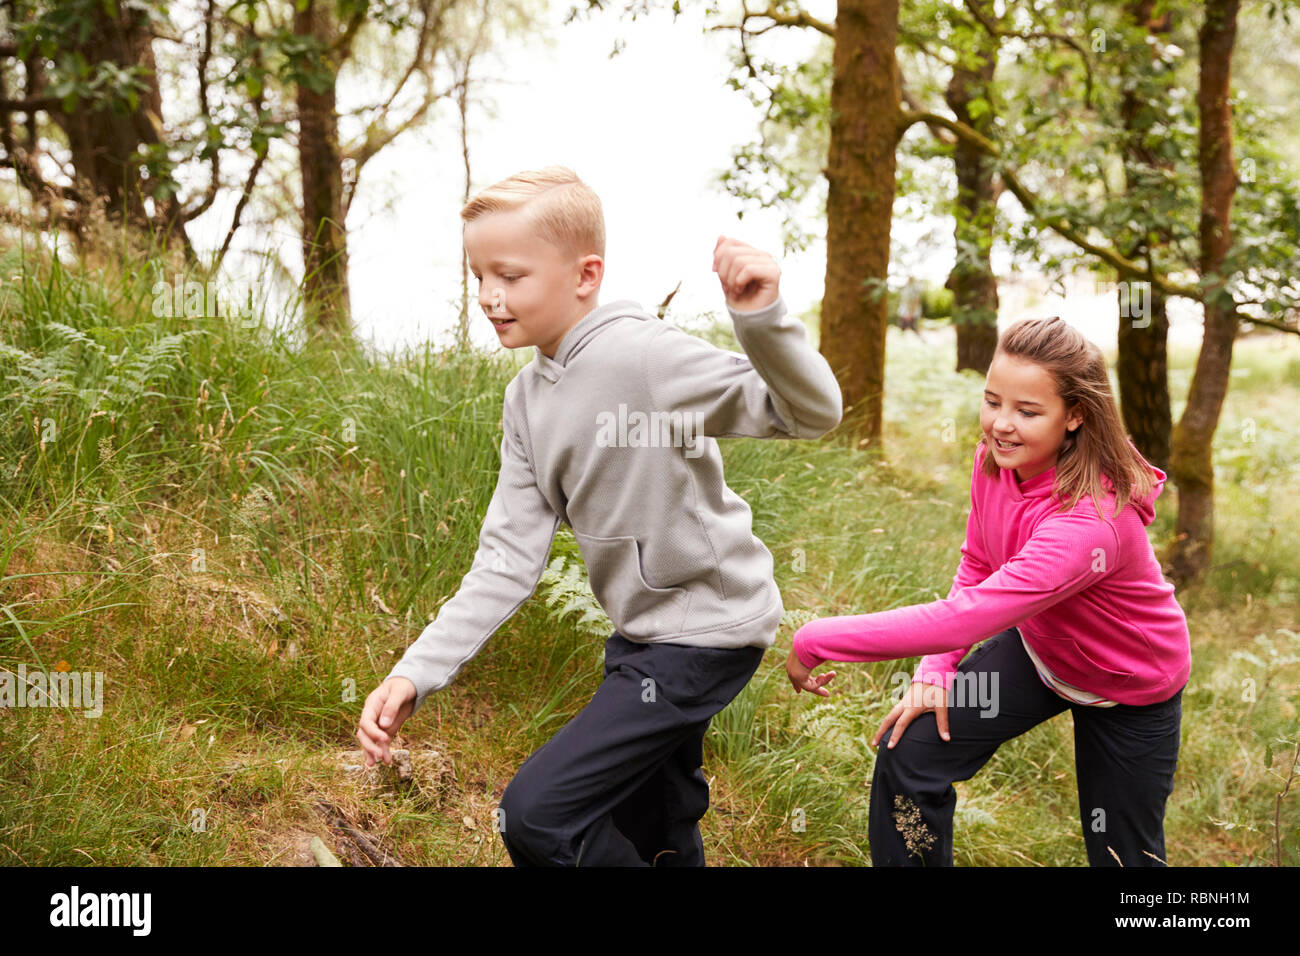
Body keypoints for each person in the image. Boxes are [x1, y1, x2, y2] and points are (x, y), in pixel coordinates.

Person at [355, 166, 843, 866]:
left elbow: (810, 412)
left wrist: (761, 318)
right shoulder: (526, 402)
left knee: (538, 817)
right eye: (480, 276)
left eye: (512, 276)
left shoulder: (645, 358)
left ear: (586, 275)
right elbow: (506, 562)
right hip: (642, 641)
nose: (491, 296)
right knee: (657, 826)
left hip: (705, 634)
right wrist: (415, 671)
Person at [785, 315, 1191, 867]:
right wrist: (935, 671)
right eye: (992, 400)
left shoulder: (1092, 524)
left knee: (1125, 860)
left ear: (1075, 415)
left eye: (1027, 411)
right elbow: (977, 564)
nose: (1001, 424)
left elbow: (967, 617)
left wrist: (817, 637)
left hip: (1129, 686)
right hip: (1043, 654)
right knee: (910, 756)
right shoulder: (996, 462)